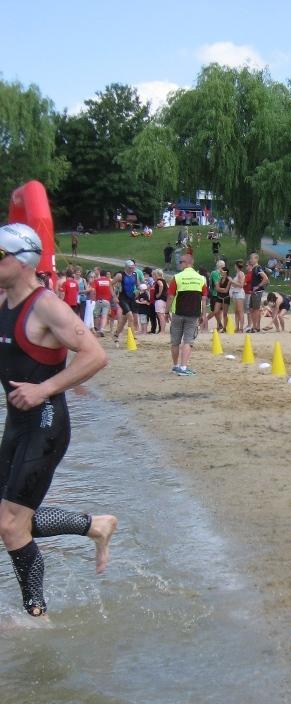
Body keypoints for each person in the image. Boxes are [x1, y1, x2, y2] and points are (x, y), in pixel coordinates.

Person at [0, 223, 117, 617]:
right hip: (17, 425)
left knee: (12, 525)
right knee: (10, 520)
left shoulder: (46, 305)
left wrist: (44, 388)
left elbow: (95, 355)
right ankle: (94, 525)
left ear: (22, 261)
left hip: (45, 425)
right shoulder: (4, 303)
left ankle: (37, 614)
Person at [166, 253, 207, 376]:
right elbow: (204, 299)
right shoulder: (201, 279)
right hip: (193, 314)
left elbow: (170, 296)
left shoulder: (177, 277)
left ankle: (175, 366)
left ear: (187, 263)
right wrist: (203, 314)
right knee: (188, 341)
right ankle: (183, 367)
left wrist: (166, 311)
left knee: (175, 342)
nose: (179, 264)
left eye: (181, 262)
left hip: (178, 313)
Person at [111, 260, 139, 345]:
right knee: (130, 317)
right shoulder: (120, 275)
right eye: (130, 268)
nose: (132, 269)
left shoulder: (135, 275)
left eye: (133, 267)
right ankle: (133, 338)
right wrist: (114, 296)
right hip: (123, 298)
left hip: (132, 298)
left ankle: (116, 335)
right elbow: (110, 284)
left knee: (124, 320)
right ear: (126, 267)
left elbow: (138, 285)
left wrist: (138, 290)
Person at [245, 253, 269, 333]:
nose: (250, 260)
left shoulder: (258, 268)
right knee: (251, 309)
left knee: (256, 309)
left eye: (252, 258)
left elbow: (265, 279)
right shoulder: (254, 269)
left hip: (257, 292)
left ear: (256, 259)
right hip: (253, 292)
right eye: (250, 258)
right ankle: (255, 326)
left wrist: (258, 286)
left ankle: (256, 327)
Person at [229, 260, 246, 333]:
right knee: (236, 311)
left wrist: (232, 281)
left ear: (236, 266)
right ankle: (237, 327)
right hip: (235, 293)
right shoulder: (237, 274)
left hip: (239, 293)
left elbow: (241, 285)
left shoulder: (241, 273)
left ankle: (241, 328)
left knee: (240, 311)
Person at [152, 269, 169, 334]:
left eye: (153, 275)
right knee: (162, 315)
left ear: (156, 275)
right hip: (164, 300)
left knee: (160, 316)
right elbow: (168, 287)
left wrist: (159, 294)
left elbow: (161, 285)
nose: (153, 277)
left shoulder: (159, 281)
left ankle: (162, 331)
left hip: (160, 300)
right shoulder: (164, 281)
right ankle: (162, 330)